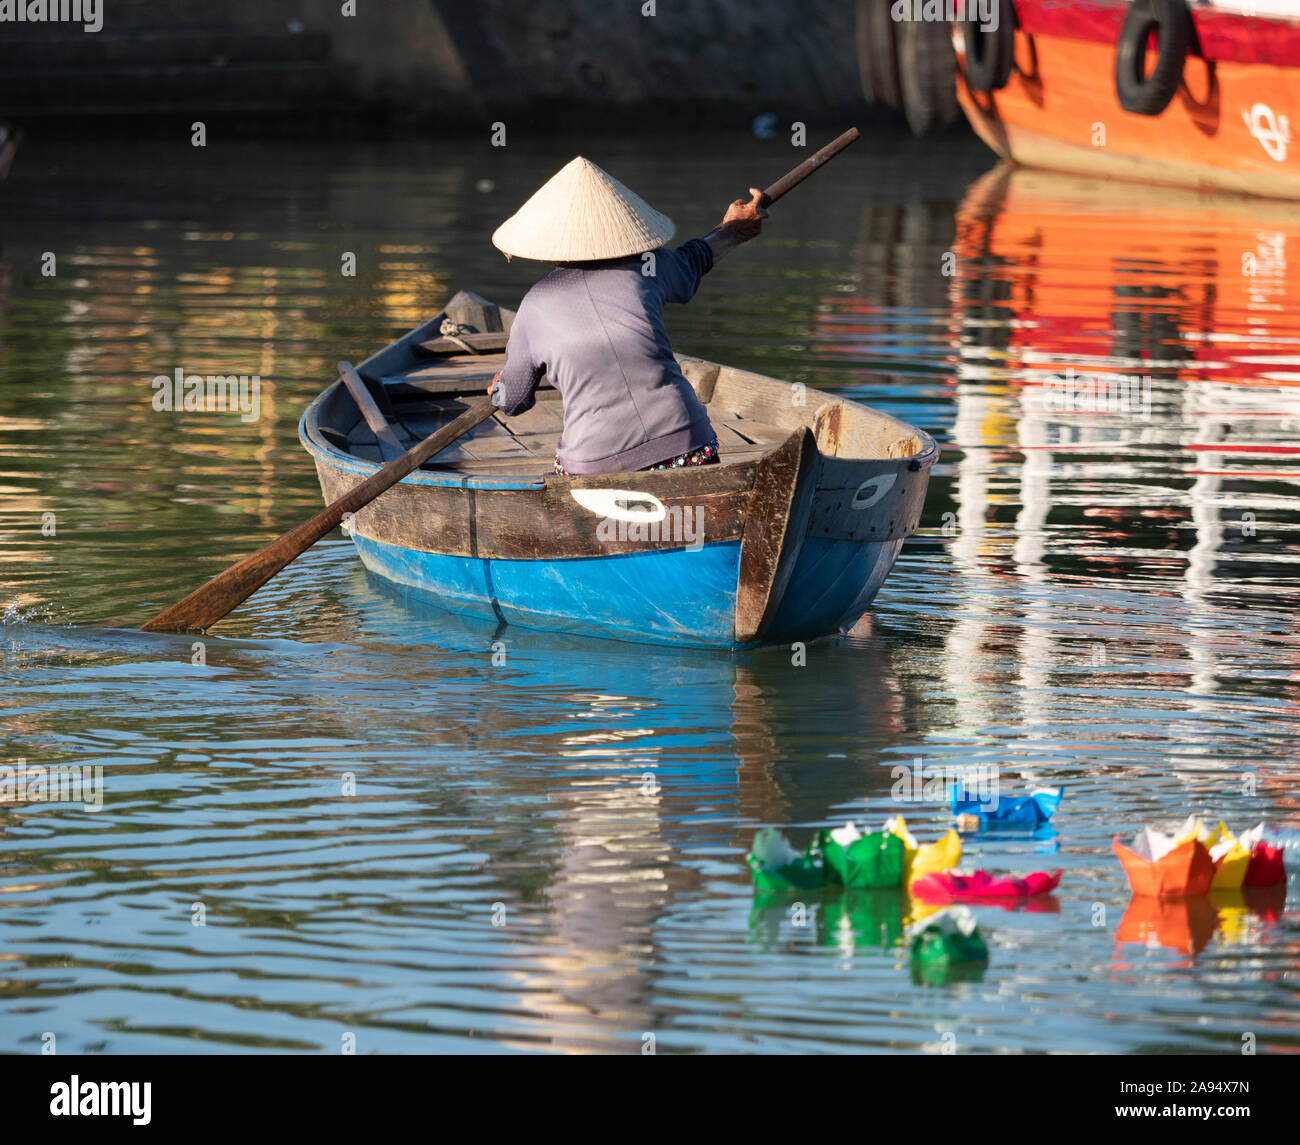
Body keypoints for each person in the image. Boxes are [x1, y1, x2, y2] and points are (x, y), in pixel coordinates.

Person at [486, 157, 766, 476]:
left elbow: (514, 399)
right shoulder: (648, 265)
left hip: (595, 466)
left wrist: (498, 389)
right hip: (687, 446)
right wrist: (732, 231)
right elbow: (695, 261)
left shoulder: (534, 305)